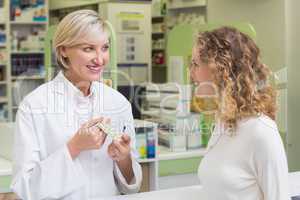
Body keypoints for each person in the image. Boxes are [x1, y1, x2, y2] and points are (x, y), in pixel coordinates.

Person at [11, 10, 142, 200]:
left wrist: (124, 159)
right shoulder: (34, 106)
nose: (99, 59)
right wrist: (74, 147)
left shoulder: (118, 103)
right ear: (63, 50)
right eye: (88, 48)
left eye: (104, 48)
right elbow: (25, 189)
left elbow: (131, 187)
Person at [191, 27, 290, 200]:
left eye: (195, 64)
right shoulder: (224, 123)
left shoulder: (262, 132)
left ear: (221, 71)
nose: (191, 73)